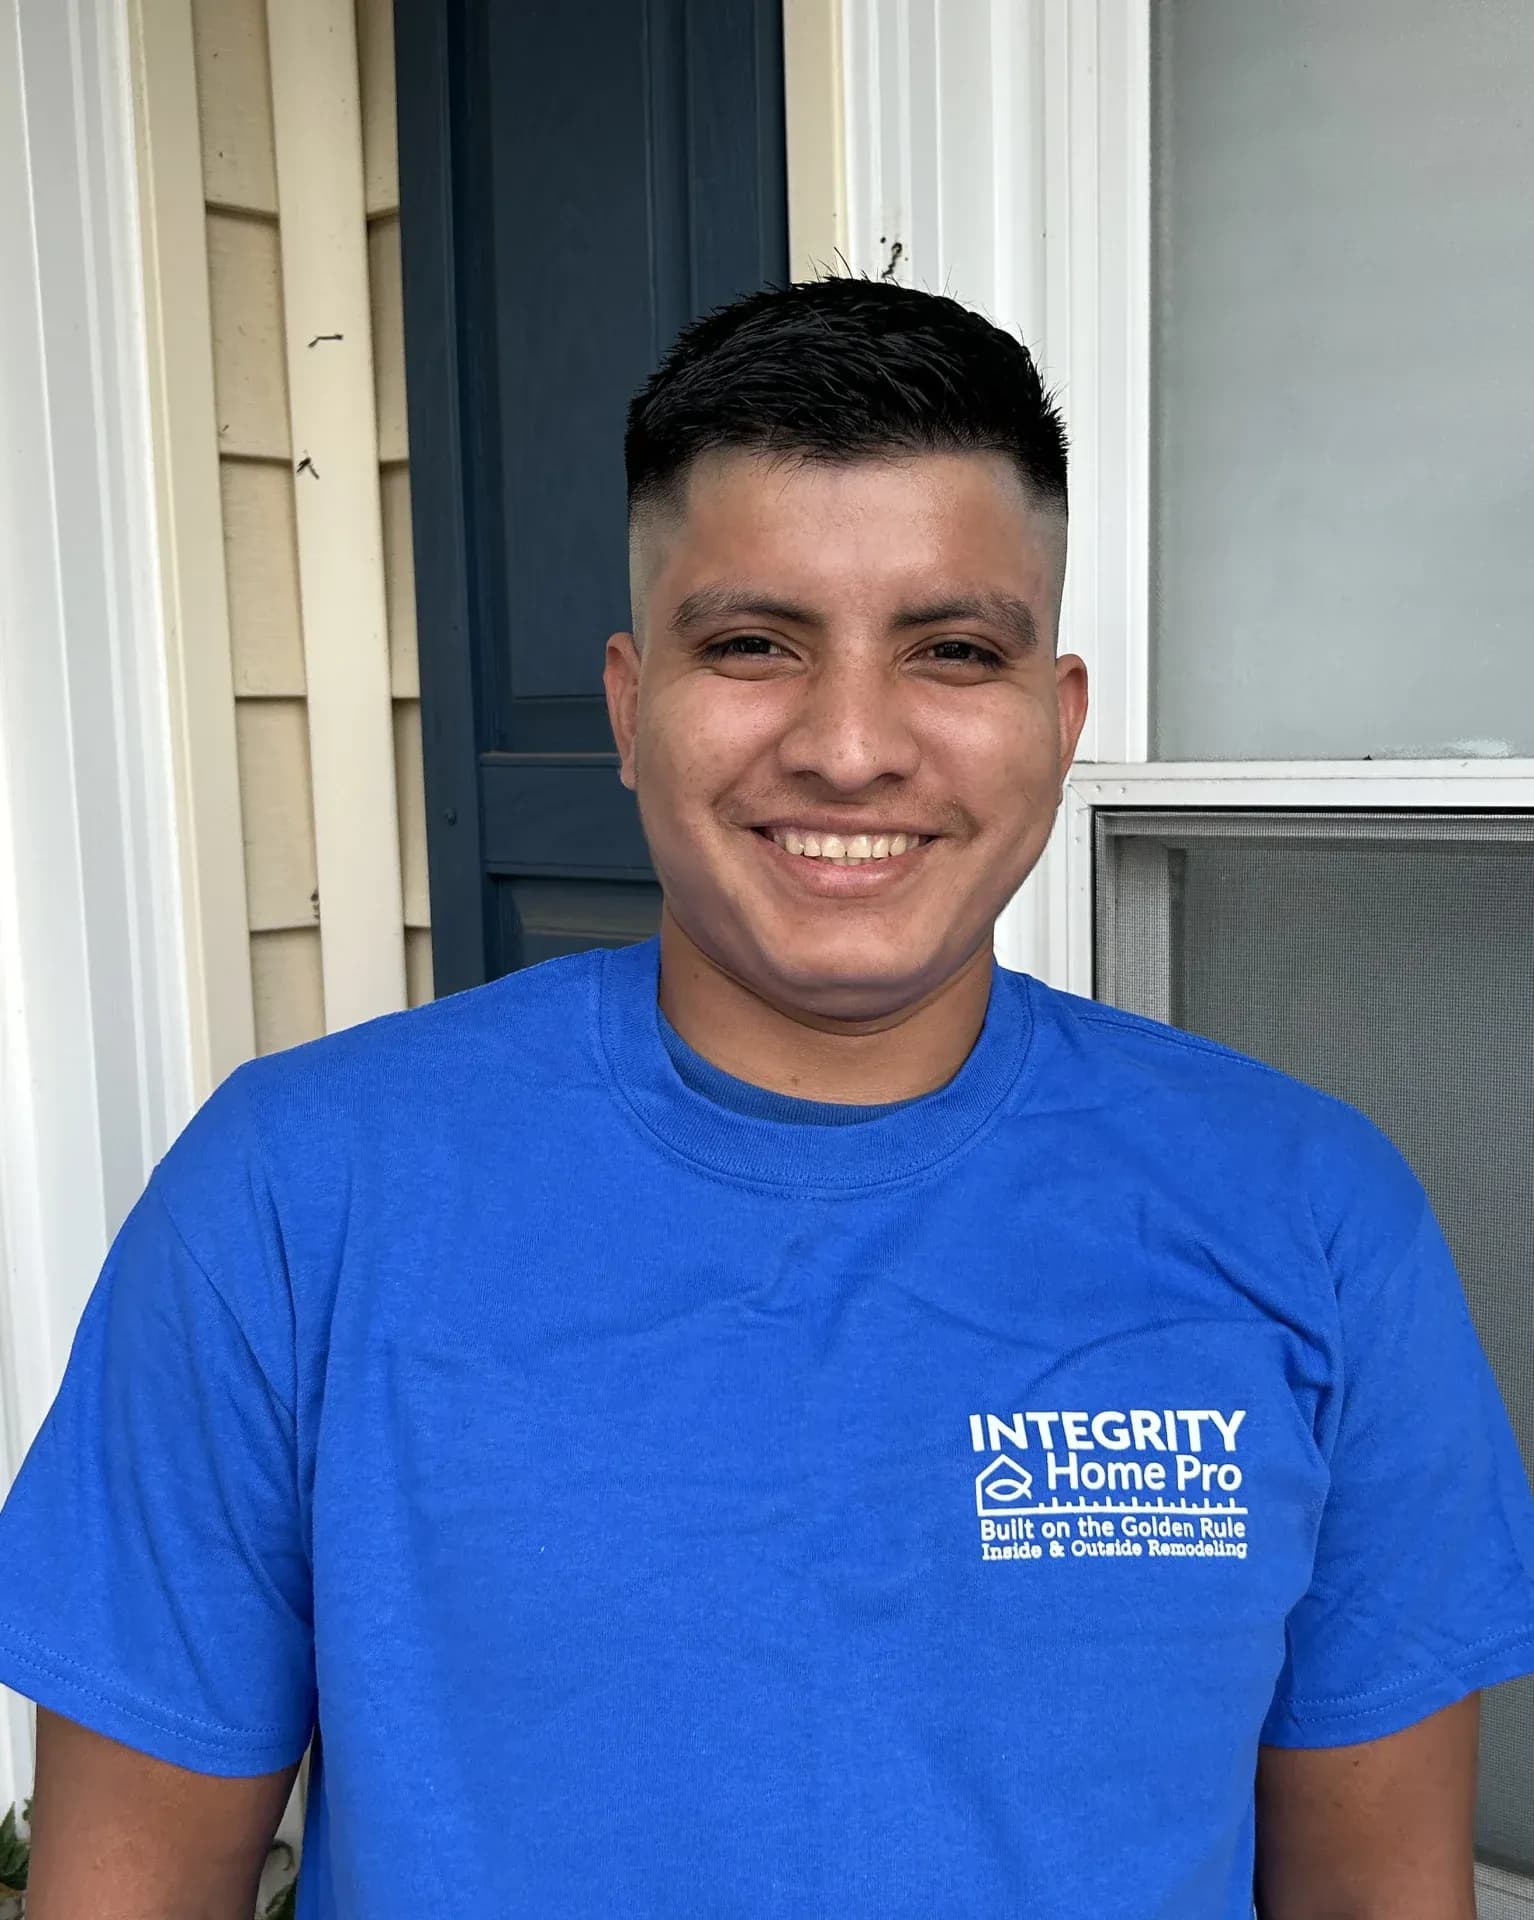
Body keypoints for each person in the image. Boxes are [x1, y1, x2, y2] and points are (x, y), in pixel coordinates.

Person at [3, 277, 1533, 1920]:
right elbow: (127, 1892)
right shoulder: (299, 1196)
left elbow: (1379, 1894)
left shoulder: (1304, 1212)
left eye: (952, 650)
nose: (850, 746)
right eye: (751, 645)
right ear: (626, 707)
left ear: (1056, 719)